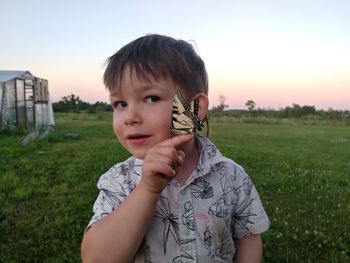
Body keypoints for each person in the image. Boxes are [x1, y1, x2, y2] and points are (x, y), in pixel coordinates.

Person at [81, 34, 270, 263]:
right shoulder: (120, 181)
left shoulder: (232, 176)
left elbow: (247, 238)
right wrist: (148, 189)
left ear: (194, 108)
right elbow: (96, 259)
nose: (130, 117)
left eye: (151, 98)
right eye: (121, 103)